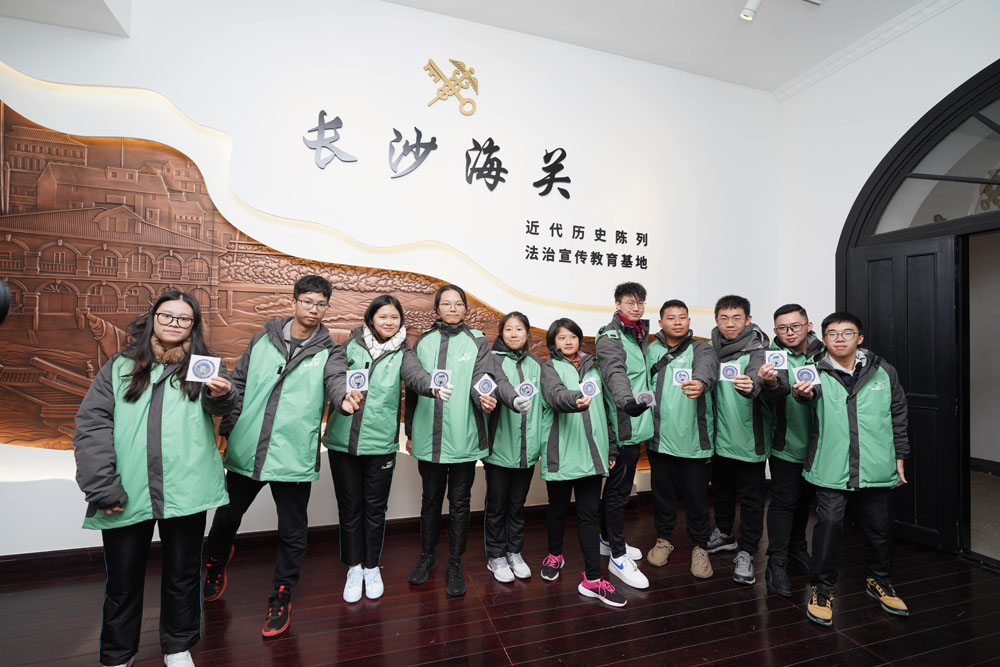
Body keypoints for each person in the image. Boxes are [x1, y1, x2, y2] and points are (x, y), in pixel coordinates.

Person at [74, 290, 234, 667]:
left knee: (183, 574)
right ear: (153, 319)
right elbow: (91, 425)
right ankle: (117, 654)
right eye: (167, 316)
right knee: (123, 579)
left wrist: (223, 395)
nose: (174, 324)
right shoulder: (120, 366)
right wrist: (102, 486)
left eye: (184, 318)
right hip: (127, 488)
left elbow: (225, 410)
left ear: (194, 326)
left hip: (187, 489)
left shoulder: (205, 367)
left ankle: (177, 646)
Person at [202, 274, 352, 637]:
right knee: (226, 518)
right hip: (248, 447)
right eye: (308, 301)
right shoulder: (262, 340)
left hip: (293, 454)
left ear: (326, 308)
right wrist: (230, 426)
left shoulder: (331, 351)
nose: (314, 310)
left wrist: (343, 398)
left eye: (321, 304)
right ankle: (215, 561)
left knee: (292, 531)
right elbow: (238, 383)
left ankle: (281, 594)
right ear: (294, 301)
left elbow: (337, 379)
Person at [404, 284, 531, 596]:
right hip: (428, 436)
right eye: (446, 304)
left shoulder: (477, 340)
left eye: (458, 303)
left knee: (460, 503)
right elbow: (413, 388)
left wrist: (484, 398)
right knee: (430, 499)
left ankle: (455, 562)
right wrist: (409, 432)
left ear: (465, 308)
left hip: (465, 435)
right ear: (437, 309)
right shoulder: (423, 341)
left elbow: (482, 379)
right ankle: (427, 555)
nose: (452, 308)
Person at [324, 294, 450, 602]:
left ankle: (371, 566)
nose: (389, 322)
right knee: (349, 507)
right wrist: (342, 396)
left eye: (394, 317)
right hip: (343, 442)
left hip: (380, 444)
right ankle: (354, 567)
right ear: (371, 318)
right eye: (383, 316)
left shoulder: (404, 352)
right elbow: (334, 377)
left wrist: (432, 386)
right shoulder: (348, 346)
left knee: (375, 509)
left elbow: (416, 376)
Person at [792, 312, 910, 627]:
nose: (840, 338)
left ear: (860, 338)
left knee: (880, 527)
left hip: (876, 463)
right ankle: (822, 588)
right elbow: (805, 395)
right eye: (832, 333)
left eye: (847, 333)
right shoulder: (813, 371)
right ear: (824, 339)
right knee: (829, 525)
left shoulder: (884, 371)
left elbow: (898, 412)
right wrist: (802, 393)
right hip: (831, 463)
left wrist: (900, 456)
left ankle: (879, 580)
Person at [540, 318, 627, 608]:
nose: (568, 342)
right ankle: (555, 555)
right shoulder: (549, 368)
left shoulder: (595, 368)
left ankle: (592, 578)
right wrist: (575, 398)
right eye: (561, 337)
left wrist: (610, 449)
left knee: (589, 516)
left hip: (593, 454)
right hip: (562, 452)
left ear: (579, 339)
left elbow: (607, 410)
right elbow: (554, 396)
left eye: (572, 336)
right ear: (553, 343)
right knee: (557, 510)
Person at [705, 294, 788, 586]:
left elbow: (764, 379)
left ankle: (748, 551)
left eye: (737, 318)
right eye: (724, 318)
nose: (730, 324)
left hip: (750, 439)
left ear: (748, 320)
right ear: (716, 320)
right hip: (719, 438)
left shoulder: (762, 349)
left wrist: (752, 383)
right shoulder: (710, 349)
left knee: (752, 499)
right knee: (722, 491)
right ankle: (725, 534)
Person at [644, 300, 718, 579]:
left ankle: (700, 546)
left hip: (693, 442)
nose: (677, 322)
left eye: (682, 317)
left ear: (689, 321)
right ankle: (664, 539)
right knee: (662, 496)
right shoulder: (650, 350)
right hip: (659, 439)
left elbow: (707, 369)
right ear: (660, 322)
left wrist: (700, 382)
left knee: (697, 499)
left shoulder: (702, 349)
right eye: (671, 317)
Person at [595, 282, 653, 590]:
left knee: (617, 491)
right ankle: (617, 557)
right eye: (630, 302)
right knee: (618, 495)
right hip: (622, 423)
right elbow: (614, 373)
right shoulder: (611, 337)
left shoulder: (638, 334)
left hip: (636, 423)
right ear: (617, 304)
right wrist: (627, 402)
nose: (636, 307)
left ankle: (607, 540)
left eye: (640, 302)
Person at [764, 303, 823, 597]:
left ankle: (798, 548)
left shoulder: (826, 354)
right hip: (785, 443)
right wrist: (772, 382)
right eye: (782, 328)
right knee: (784, 501)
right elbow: (771, 393)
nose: (789, 332)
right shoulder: (771, 357)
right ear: (775, 330)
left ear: (808, 326)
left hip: (820, 445)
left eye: (795, 326)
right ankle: (776, 562)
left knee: (805, 501)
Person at [483, 311, 546, 582]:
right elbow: (497, 387)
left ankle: (514, 552)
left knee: (517, 505)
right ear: (501, 333)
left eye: (519, 329)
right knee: (496, 506)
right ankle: (496, 556)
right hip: (499, 448)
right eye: (508, 329)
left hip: (527, 450)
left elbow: (544, 405)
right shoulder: (492, 360)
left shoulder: (536, 363)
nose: (513, 334)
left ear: (527, 333)